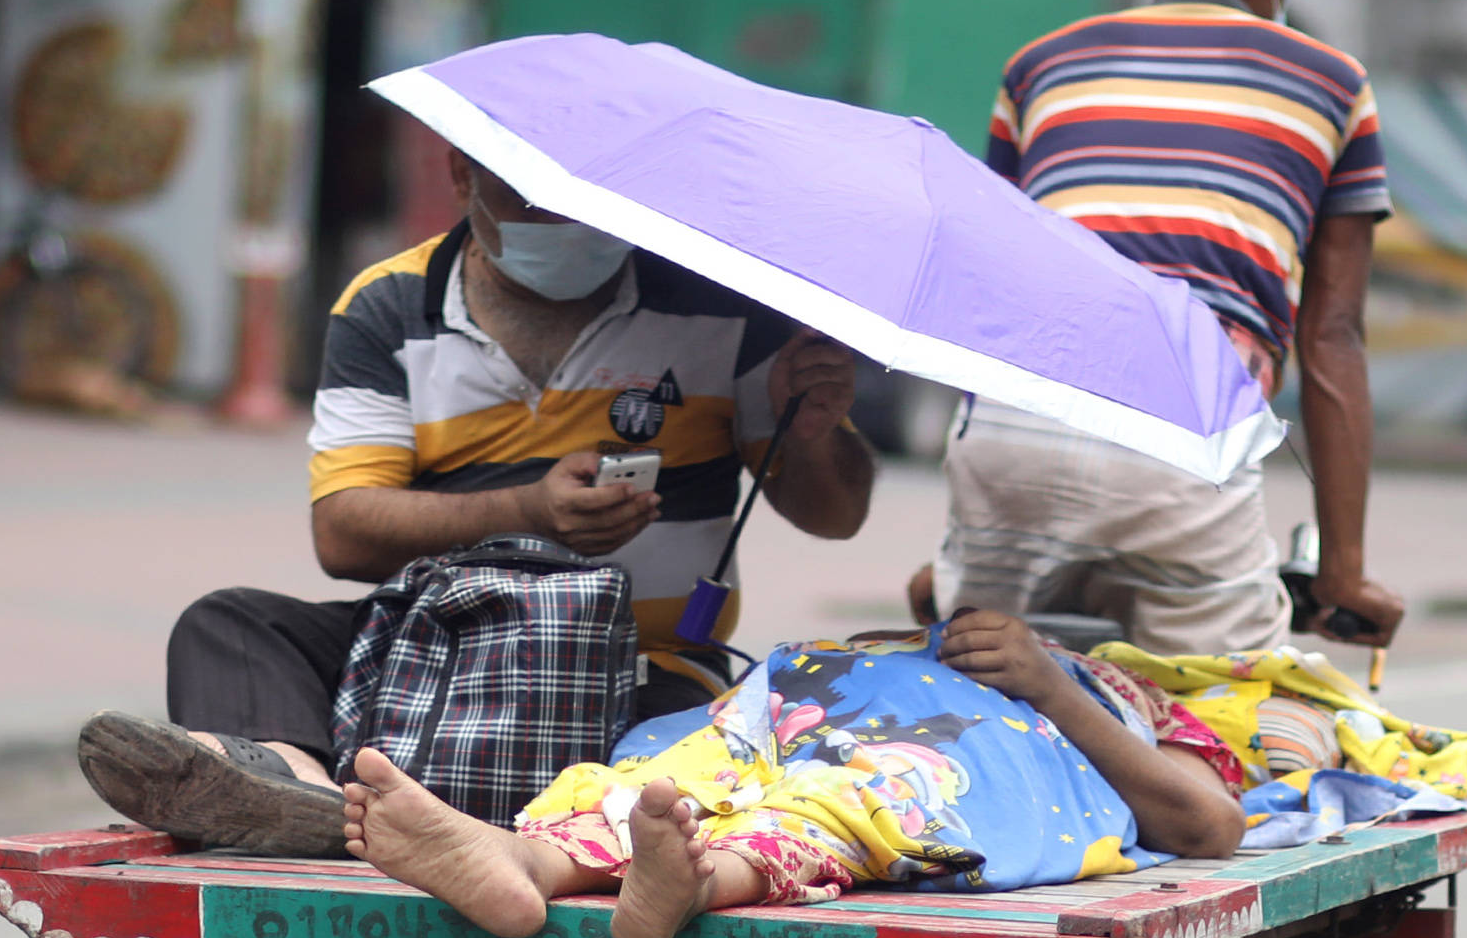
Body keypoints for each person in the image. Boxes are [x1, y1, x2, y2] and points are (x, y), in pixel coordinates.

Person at [76, 142, 875, 854]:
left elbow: (835, 517)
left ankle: (528, 842)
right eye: (533, 193)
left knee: (697, 739)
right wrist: (529, 511)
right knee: (232, 623)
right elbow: (344, 535)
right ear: (464, 175)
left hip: (643, 665)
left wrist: (812, 431)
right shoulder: (388, 307)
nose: (564, 221)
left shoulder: (722, 304)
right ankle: (304, 797)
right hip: (429, 647)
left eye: (590, 196)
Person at [927, 0, 1408, 657]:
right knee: (1234, 721)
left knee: (974, 699)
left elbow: (988, 292)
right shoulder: (1333, 85)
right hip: (1183, 441)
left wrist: (957, 553)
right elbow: (1332, 337)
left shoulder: (1038, 68)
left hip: (1012, 436)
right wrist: (1344, 575)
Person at [342, 607, 1247, 938]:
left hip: (968, 748)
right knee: (679, 773)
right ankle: (525, 864)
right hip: (810, 701)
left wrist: (1051, 681)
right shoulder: (919, 635)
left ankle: (698, 882)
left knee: (854, 802)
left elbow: (1209, 824)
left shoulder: (1128, 699)